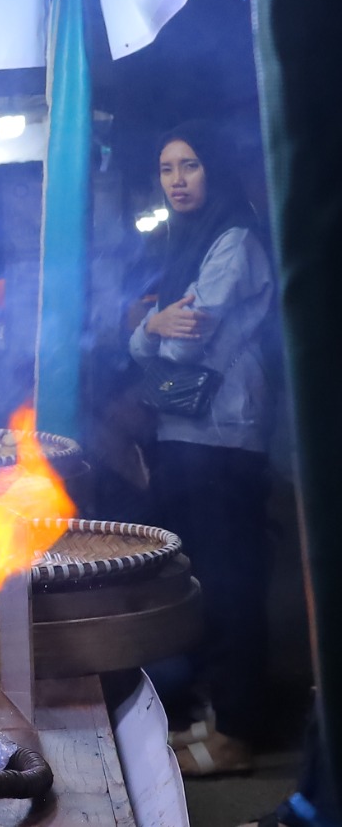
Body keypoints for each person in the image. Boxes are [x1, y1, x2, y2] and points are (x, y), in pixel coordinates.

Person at [128, 120, 276, 777]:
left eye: (189, 165)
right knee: (205, 586)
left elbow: (182, 340)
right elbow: (155, 328)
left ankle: (239, 733)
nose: (178, 180)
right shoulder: (185, 242)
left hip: (225, 437)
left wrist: (148, 327)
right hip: (184, 433)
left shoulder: (235, 240)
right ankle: (216, 721)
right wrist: (151, 325)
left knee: (233, 585)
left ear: (213, 170)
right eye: (167, 168)